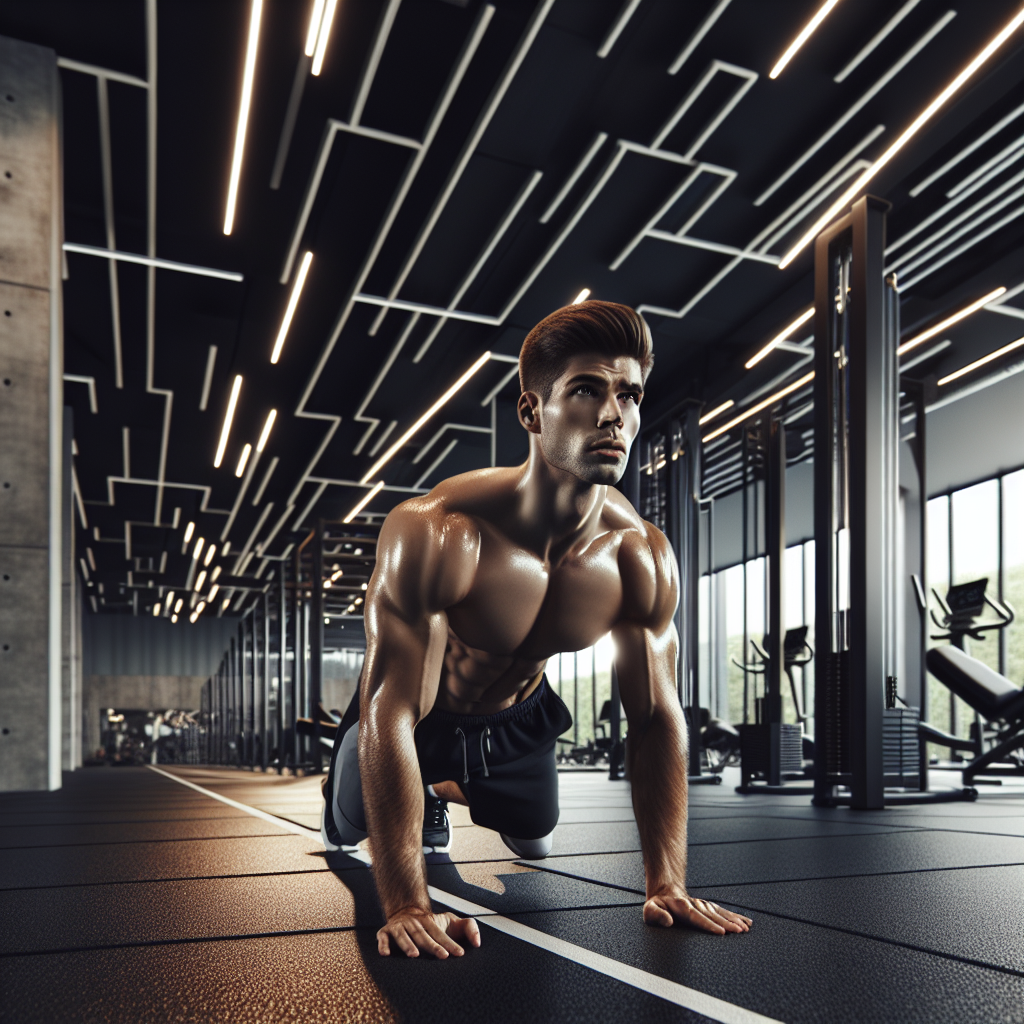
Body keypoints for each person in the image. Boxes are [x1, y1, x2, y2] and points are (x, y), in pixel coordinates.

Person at [322, 300, 752, 959]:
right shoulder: (438, 531)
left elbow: (659, 717)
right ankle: (362, 782)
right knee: (349, 832)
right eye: (586, 390)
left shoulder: (638, 555)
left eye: (630, 395)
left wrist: (667, 883)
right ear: (531, 412)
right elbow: (393, 711)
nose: (615, 415)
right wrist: (409, 902)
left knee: (537, 840)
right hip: (418, 720)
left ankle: (442, 789)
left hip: (516, 726)